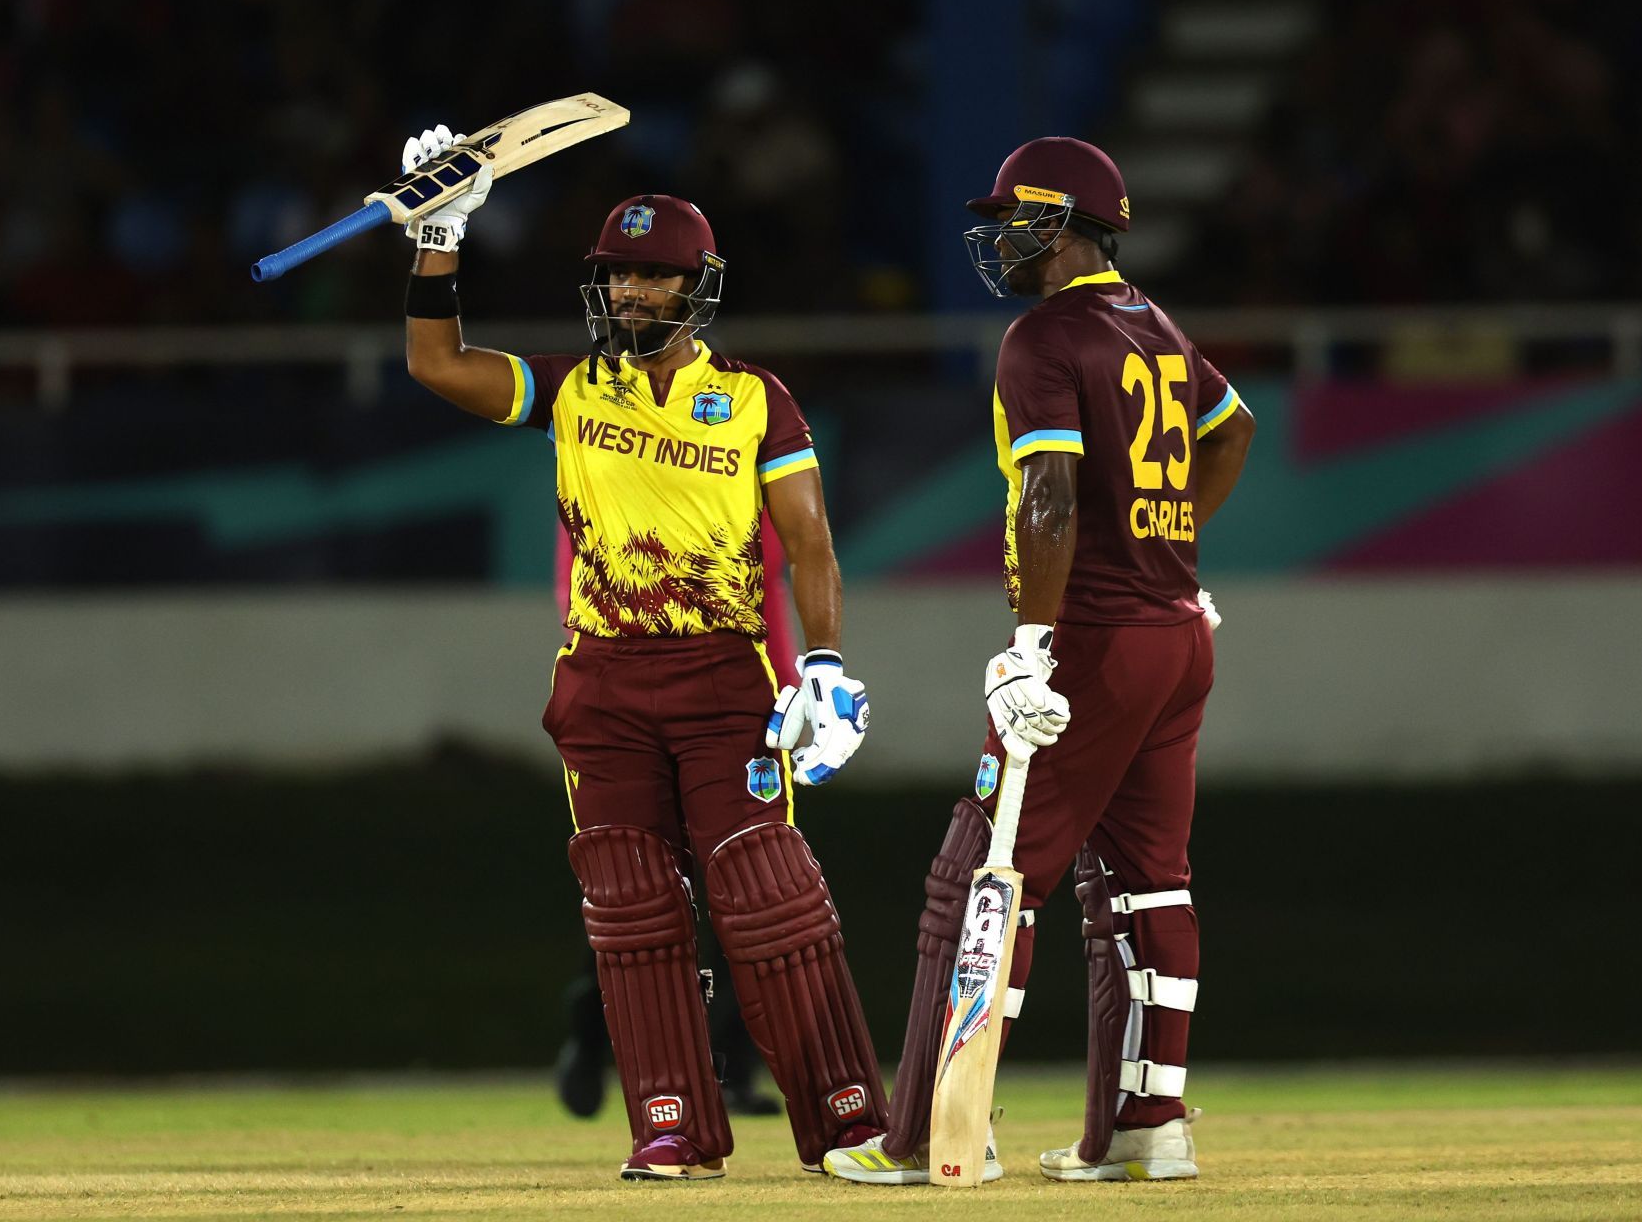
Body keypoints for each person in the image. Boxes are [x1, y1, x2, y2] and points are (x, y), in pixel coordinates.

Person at [395, 125, 883, 1181]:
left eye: (651, 279)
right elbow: (434, 361)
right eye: (616, 276)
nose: (628, 295)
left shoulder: (756, 398)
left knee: (765, 892)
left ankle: (846, 1117)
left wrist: (829, 669)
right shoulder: (571, 392)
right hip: (604, 682)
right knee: (628, 905)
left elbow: (809, 543)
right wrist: (439, 236)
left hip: (723, 678)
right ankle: (671, 1121)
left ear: (694, 288)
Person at [823, 137, 1255, 1185]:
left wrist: (1029, 646)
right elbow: (1231, 427)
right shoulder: (1155, 324)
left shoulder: (1044, 336)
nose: (1001, 235)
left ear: (1060, 223)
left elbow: (1047, 497)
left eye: (1016, 216)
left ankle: (929, 1132)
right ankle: (1148, 1126)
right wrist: (1170, 548)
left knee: (978, 873)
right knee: (1150, 886)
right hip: (1176, 634)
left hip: (1095, 638)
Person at [552, 517, 795, 1121]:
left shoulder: (743, 455)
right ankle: (592, 1030)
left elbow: (770, 586)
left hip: (736, 696)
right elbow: (576, 584)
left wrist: (789, 687)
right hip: (641, 693)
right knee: (640, 887)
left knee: (746, 891)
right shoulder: (611, 459)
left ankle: (730, 1070)